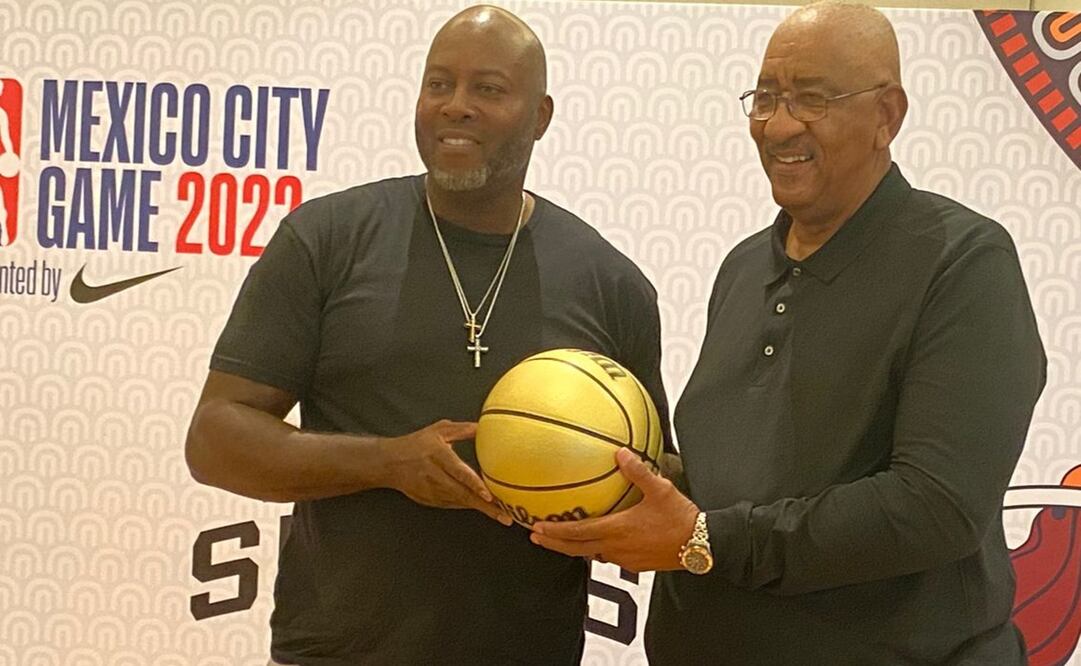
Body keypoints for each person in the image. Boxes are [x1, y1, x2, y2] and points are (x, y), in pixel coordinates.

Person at [529, 2, 1046, 663]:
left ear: (886, 116)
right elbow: (746, 483)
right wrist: (609, 468)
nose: (777, 124)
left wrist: (706, 539)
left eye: (810, 99)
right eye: (764, 97)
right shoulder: (743, 268)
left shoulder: (963, 261)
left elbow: (933, 507)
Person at [184, 5, 670, 665]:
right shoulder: (325, 240)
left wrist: (595, 493)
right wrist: (387, 463)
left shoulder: (610, 285)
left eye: (488, 89)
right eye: (438, 84)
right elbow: (215, 440)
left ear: (541, 116)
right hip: (337, 652)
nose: (455, 106)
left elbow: (656, 477)